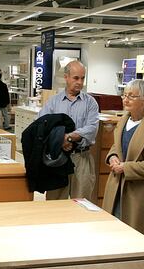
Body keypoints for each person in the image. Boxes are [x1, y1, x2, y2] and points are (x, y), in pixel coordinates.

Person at [103, 79, 144, 243]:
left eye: (132, 96)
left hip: (139, 193)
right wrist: (113, 157)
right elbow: (117, 146)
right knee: (113, 232)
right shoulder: (124, 120)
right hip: (117, 186)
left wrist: (126, 168)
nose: (126, 99)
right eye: (124, 95)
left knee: (133, 238)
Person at [37, 61, 99, 200]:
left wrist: (68, 137)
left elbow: (91, 128)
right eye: (76, 78)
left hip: (81, 158)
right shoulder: (54, 102)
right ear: (66, 77)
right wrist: (60, 140)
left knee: (82, 203)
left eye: (82, 78)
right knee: (56, 202)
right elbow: (42, 125)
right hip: (58, 159)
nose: (80, 82)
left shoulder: (90, 103)